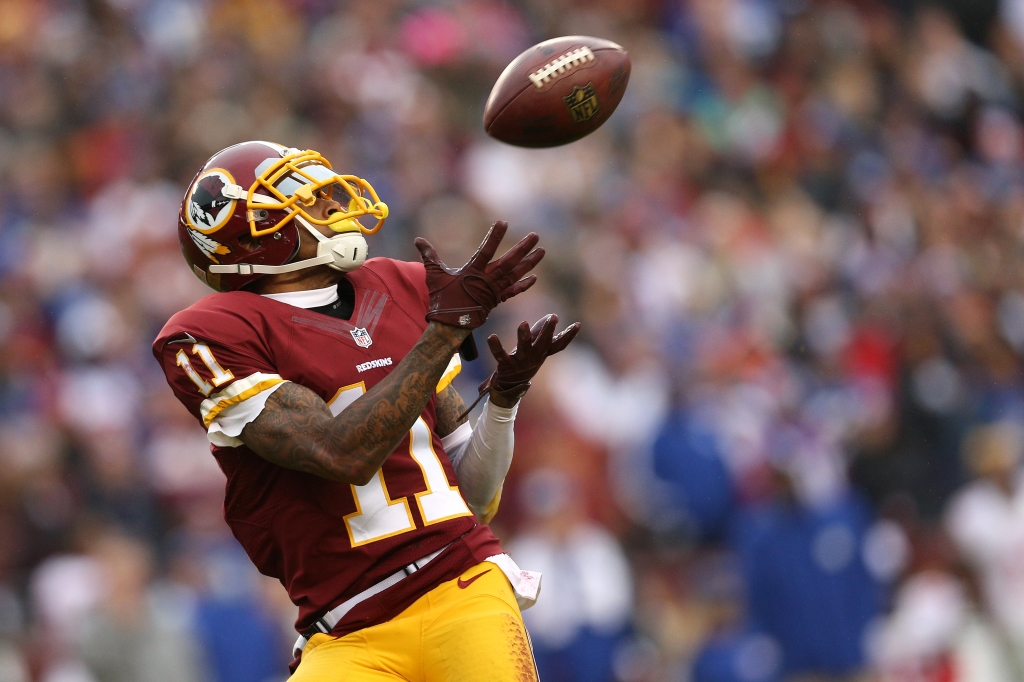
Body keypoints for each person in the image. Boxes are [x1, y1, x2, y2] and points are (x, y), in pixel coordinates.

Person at [152, 141, 580, 681]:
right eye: (308, 199)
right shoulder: (214, 334)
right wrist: (441, 336)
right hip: (346, 629)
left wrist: (502, 401)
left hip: (463, 585)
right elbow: (342, 452)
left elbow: (474, 499)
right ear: (254, 232)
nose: (334, 204)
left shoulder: (397, 286)